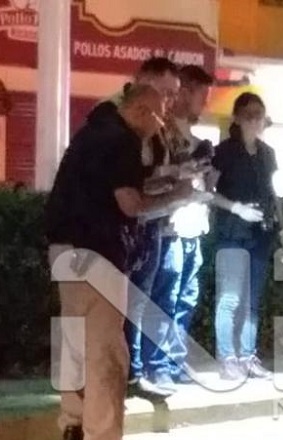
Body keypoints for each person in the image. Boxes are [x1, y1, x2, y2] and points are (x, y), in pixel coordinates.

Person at [45, 84, 195, 440]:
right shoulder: (123, 140)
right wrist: (177, 197)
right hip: (98, 254)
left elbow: (115, 187)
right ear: (142, 110)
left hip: (64, 250)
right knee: (107, 354)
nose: (160, 125)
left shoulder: (92, 132)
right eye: (159, 115)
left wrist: (161, 186)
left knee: (75, 346)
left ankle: (74, 427)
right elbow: (130, 204)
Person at [86, 57, 182, 400]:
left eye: (172, 95)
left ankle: (131, 372)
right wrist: (170, 190)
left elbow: (146, 172)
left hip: (147, 224)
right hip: (116, 227)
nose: (169, 101)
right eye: (165, 92)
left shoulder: (156, 123)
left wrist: (172, 180)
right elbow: (125, 185)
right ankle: (117, 376)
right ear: (143, 82)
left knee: (138, 302)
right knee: (116, 306)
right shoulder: (111, 116)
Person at [208, 92, 283, 381]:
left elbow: (273, 192)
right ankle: (227, 357)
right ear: (237, 118)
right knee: (230, 297)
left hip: (261, 233)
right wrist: (236, 208)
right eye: (249, 115)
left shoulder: (267, 153)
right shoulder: (223, 152)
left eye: (260, 115)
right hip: (232, 232)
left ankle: (247, 355)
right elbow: (208, 191)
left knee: (252, 299)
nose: (255, 120)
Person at [142, 65, 215, 390]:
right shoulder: (164, 130)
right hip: (170, 224)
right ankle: (156, 364)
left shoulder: (188, 134)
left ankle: (174, 360)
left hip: (192, 223)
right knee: (166, 297)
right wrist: (186, 169)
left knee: (186, 296)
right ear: (185, 92)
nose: (205, 103)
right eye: (202, 95)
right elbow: (159, 174)